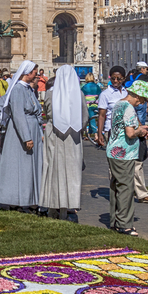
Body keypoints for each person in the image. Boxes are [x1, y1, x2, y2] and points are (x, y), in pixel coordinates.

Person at [0, 61, 43, 211]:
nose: (36, 75)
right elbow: (19, 115)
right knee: (21, 167)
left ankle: (29, 198)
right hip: (23, 132)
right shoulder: (18, 90)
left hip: (32, 128)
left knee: (29, 166)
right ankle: (18, 199)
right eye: (35, 72)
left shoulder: (28, 89)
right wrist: (26, 137)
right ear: (27, 73)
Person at [106, 80, 148, 236]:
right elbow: (130, 133)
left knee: (116, 186)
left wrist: (139, 128)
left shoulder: (119, 104)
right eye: (144, 99)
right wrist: (141, 131)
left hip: (113, 150)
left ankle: (115, 220)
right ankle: (124, 224)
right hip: (124, 153)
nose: (143, 102)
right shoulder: (129, 108)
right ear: (138, 97)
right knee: (126, 187)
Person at [40, 65, 85, 220]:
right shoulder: (78, 94)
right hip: (73, 137)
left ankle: (52, 207)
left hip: (54, 135)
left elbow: (46, 112)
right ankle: (67, 206)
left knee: (53, 169)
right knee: (71, 171)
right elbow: (84, 117)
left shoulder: (50, 94)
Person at [81, 73, 102, 142]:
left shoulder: (84, 87)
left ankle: (96, 135)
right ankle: (89, 135)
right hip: (96, 104)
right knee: (91, 119)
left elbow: (81, 96)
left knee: (91, 120)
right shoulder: (97, 86)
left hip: (88, 105)